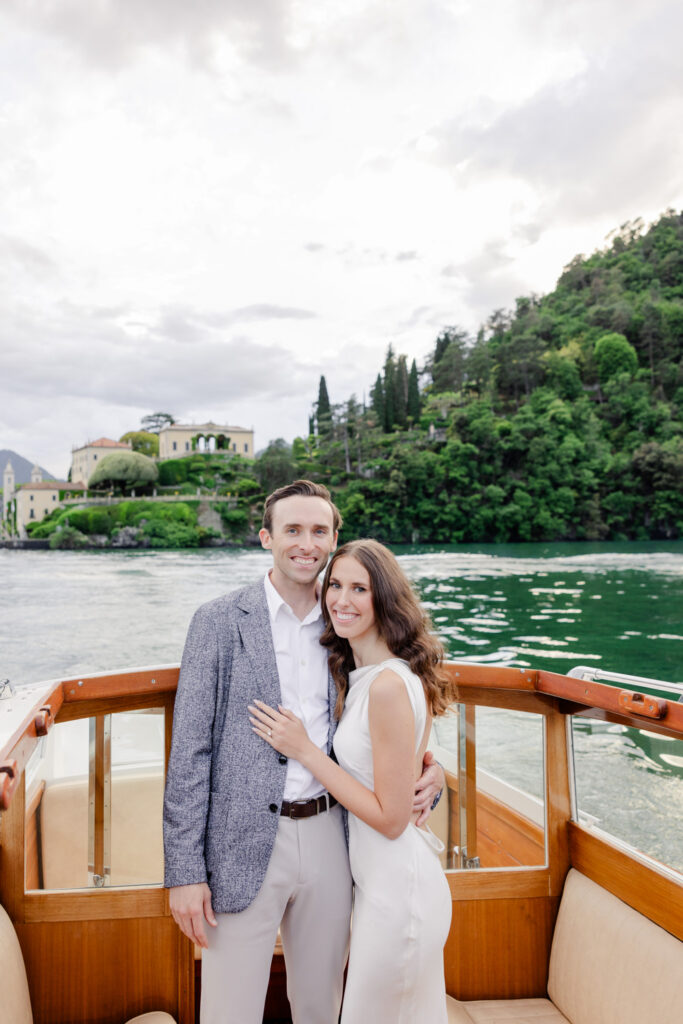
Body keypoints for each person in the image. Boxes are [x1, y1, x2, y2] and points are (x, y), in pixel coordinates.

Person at [163, 481, 444, 1024]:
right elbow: (189, 752)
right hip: (238, 843)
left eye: (319, 531)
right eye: (292, 529)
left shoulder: (345, 623)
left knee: (321, 1007)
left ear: (334, 538)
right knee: (229, 1011)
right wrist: (184, 872)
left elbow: (386, 719)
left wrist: (433, 772)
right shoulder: (218, 621)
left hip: (331, 837)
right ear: (267, 537)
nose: (305, 543)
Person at [249, 538, 454, 1023]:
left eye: (359, 589)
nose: (341, 600)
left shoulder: (385, 686)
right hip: (379, 887)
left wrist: (304, 751)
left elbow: (390, 818)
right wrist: (435, 767)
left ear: (384, 598)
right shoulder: (365, 677)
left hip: (399, 895)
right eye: (335, 585)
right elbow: (405, 755)